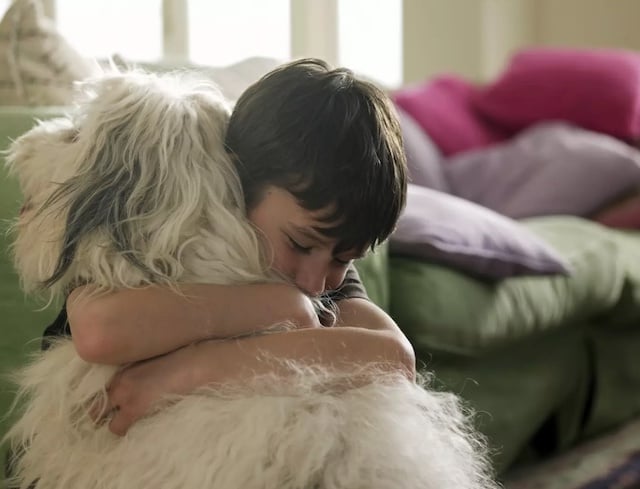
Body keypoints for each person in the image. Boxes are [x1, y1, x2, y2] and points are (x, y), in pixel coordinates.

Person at [43, 58, 414, 436]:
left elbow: (395, 359)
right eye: (301, 244)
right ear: (236, 182)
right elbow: (99, 332)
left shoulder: (318, 259)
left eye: (344, 258)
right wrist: (282, 307)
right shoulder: (165, 226)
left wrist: (185, 373)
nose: (317, 283)